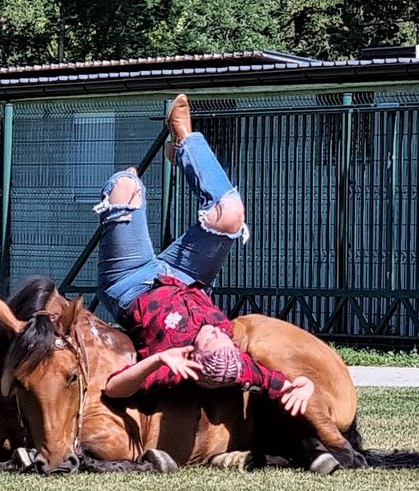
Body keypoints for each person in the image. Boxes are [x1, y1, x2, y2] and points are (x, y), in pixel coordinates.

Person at [94, 94, 313, 417]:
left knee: (125, 186)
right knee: (231, 215)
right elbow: (281, 383)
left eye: (211, 339)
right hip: (186, 276)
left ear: (195, 356)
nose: (216, 330)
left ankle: (129, 192)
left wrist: (157, 359)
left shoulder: (176, 365)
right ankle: (184, 140)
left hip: (130, 284)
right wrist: (304, 383)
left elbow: (114, 388)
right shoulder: (238, 365)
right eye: (223, 337)